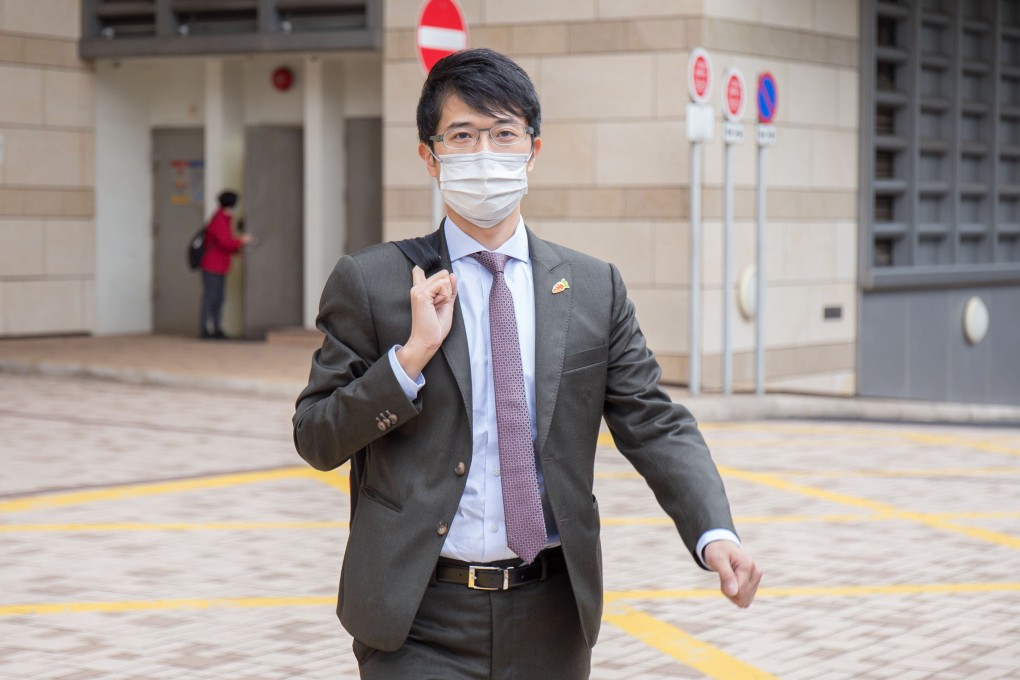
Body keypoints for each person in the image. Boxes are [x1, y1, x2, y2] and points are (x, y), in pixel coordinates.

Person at [293, 48, 761, 679]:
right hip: (416, 617)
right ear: (430, 155)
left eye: (504, 133)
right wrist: (408, 360)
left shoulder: (595, 288)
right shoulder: (373, 283)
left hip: (552, 615)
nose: (485, 152)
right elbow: (316, 436)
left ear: (532, 150)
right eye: (462, 135)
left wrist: (715, 533)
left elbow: (654, 422)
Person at [199, 190, 251, 339]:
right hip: (212, 265)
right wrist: (241, 240)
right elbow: (224, 242)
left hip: (220, 265)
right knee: (211, 297)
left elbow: (224, 243)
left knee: (219, 297)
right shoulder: (220, 219)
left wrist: (237, 248)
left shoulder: (224, 218)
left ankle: (216, 328)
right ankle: (206, 329)